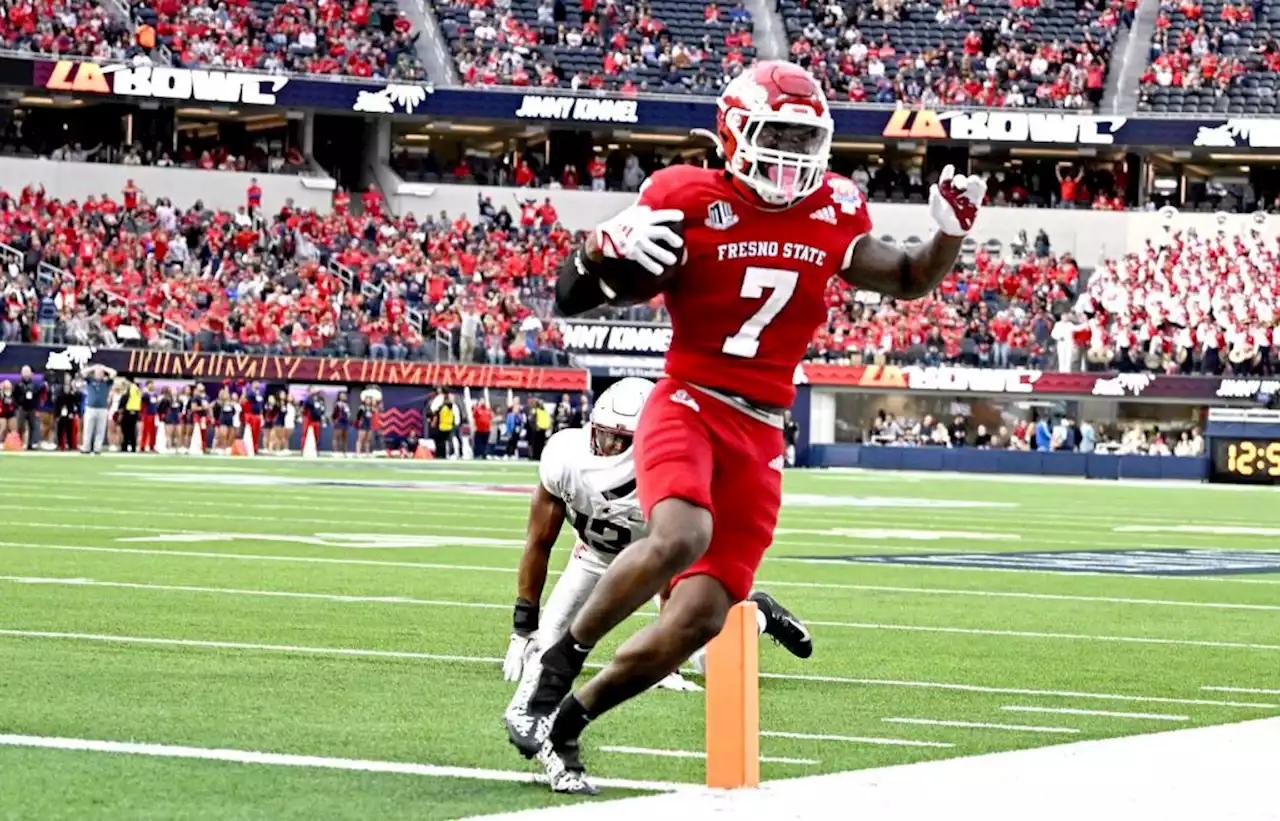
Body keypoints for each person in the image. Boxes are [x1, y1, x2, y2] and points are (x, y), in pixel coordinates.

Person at [509, 59, 986, 794]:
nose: (791, 156)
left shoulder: (834, 207)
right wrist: (597, 254)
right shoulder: (683, 195)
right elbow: (574, 300)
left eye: (806, 139)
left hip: (763, 428)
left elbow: (910, 276)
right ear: (736, 130)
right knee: (679, 536)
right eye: (778, 134)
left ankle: (567, 722)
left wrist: (948, 234)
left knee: (701, 616)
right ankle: (552, 666)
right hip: (690, 398)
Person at [503, 378, 812, 731]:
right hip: (592, 556)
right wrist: (523, 624)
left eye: (622, 441)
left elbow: (675, 557)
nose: (609, 447)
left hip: (660, 565)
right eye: (604, 436)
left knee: (712, 661)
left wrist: (668, 660)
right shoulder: (565, 455)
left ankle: (757, 614)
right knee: (543, 646)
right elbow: (539, 542)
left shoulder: (669, 475)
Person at [80, 364, 117, 455]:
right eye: (97, 372)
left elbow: (114, 373)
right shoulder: (90, 381)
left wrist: (104, 368)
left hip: (102, 408)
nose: (99, 374)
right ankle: (86, 447)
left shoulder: (106, 382)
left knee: (100, 430)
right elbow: (83, 372)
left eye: (101, 373)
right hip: (90, 408)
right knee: (88, 429)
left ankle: (97, 448)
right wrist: (94, 368)